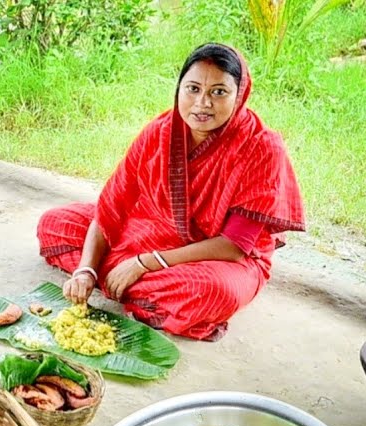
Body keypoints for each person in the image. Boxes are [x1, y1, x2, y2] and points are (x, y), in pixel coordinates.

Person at [36, 43, 304, 341]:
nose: (203, 103)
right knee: (55, 223)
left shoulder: (260, 146)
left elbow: (234, 245)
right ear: (179, 89)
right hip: (148, 232)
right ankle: (116, 279)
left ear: (239, 95)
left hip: (218, 259)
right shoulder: (160, 131)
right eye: (193, 89)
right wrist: (85, 270)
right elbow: (111, 208)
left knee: (212, 293)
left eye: (218, 92)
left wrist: (143, 263)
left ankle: (120, 276)